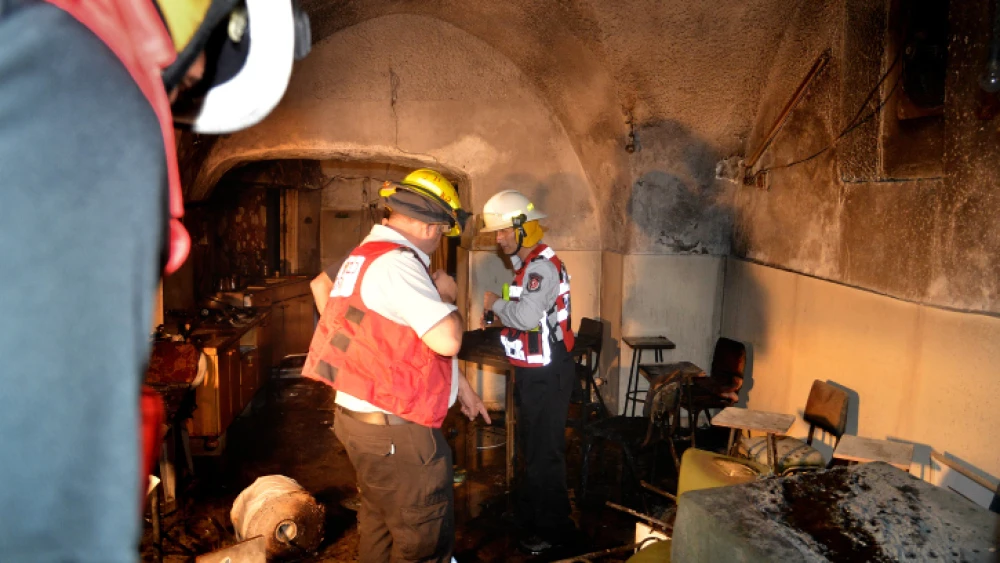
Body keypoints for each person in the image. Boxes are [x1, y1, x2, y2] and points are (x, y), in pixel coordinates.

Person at [0, 0, 309, 559]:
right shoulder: (85, 86)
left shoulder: (33, 38)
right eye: (201, 72)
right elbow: (52, 447)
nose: (188, 86)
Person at [302, 168, 490, 563]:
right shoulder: (398, 264)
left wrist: (463, 389)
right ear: (427, 225)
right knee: (422, 542)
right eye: (441, 230)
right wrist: (447, 296)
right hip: (398, 436)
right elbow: (448, 339)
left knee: (380, 526)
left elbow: (322, 289)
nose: (439, 239)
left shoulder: (364, 254)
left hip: (362, 425)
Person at [479, 190, 578, 555]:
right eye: (497, 232)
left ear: (524, 228)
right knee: (531, 450)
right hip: (535, 372)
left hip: (548, 376)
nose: (498, 238)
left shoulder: (539, 268)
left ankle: (556, 532)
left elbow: (525, 316)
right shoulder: (529, 265)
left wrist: (495, 304)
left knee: (544, 454)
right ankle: (533, 517)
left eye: (504, 230)